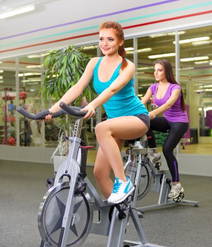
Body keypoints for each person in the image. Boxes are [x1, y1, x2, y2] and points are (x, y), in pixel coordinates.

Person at [45, 21, 150, 204]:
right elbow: (77, 87)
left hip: (136, 119)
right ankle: (120, 208)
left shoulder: (127, 66)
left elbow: (111, 90)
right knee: (100, 173)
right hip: (114, 124)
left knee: (101, 128)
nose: (105, 43)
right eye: (101, 39)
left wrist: (92, 105)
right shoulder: (94, 63)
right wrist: (52, 110)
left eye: (110, 39)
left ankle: (123, 182)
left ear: (120, 42)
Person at [141, 59, 189, 201]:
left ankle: (176, 184)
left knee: (167, 149)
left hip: (180, 122)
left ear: (166, 71)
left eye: (159, 70)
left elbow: (168, 105)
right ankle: (153, 153)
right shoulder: (153, 87)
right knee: (146, 122)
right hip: (167, 121)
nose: (156, 73)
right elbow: (142, 101)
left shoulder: (175, 88)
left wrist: (155, 112)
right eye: (155, 70)